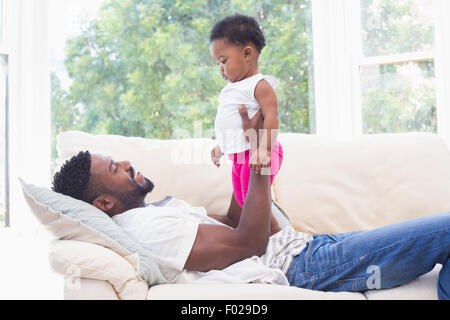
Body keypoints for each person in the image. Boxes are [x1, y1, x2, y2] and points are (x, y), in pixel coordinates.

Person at [52, 106, 450, 299]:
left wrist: (245, 160)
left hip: (313, 248)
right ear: (104, 202)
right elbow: (250, 244)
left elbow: (234, 221)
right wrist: (261, 165)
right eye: (114, 169)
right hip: (307, 268)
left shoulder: (157, 212)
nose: (125, 163)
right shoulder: (146, 231)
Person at [209, 14, 283, 208]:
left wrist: (265, 149)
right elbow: (230, 123)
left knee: (254, 204)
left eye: (224, 61)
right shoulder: (230, 89)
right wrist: (221, 146)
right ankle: (267, 232)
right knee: (243, 202)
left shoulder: (260, 85)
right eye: (217, 63)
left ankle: (275, 233)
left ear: (247, 54)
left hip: (256, 152)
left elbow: (271, 117)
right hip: (238, 158)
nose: (221, 69)